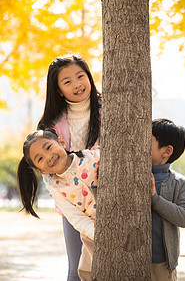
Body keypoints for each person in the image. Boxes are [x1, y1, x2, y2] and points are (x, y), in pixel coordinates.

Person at [37, 54, 101, 280]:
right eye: (67, 82)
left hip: (107, 192)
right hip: (74, 200)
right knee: (78, 266)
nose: (77, 84)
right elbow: (48, 165)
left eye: (80, 76)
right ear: (58, 90)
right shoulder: (52, 124)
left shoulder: (107, 109)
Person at [17, 129, 100, 281]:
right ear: (40, 170)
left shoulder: (93, 157)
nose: (48, 157)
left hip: (119, 214)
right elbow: (75, 217)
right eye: (40, 159)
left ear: (61, 142)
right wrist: (98, 233)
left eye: (48, 147)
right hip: (92, 230)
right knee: (86, 272)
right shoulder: (55, 186)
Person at [151, 118, 185, 281]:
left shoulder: (178, 183)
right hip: (131, 258)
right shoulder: (133, 175)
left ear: (166, 151)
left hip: (162, 264)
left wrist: (155, 199)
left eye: (148, 141)